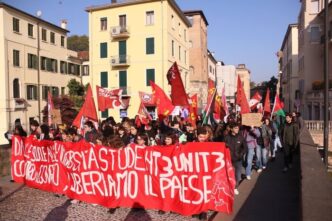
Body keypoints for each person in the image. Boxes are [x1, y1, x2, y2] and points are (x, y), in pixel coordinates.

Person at [224, 123, 248, 195]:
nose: (237, 130)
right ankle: (229, 187)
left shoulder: (241, 137)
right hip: (229, 159)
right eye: (235, 128)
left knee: (238, 176)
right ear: (231, 129)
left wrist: (241, 154)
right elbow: (222, 147)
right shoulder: (226, 137)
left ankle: (235, 188)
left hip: (238, 160)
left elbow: (245, 148)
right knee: (229, 175)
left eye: (238, 128)